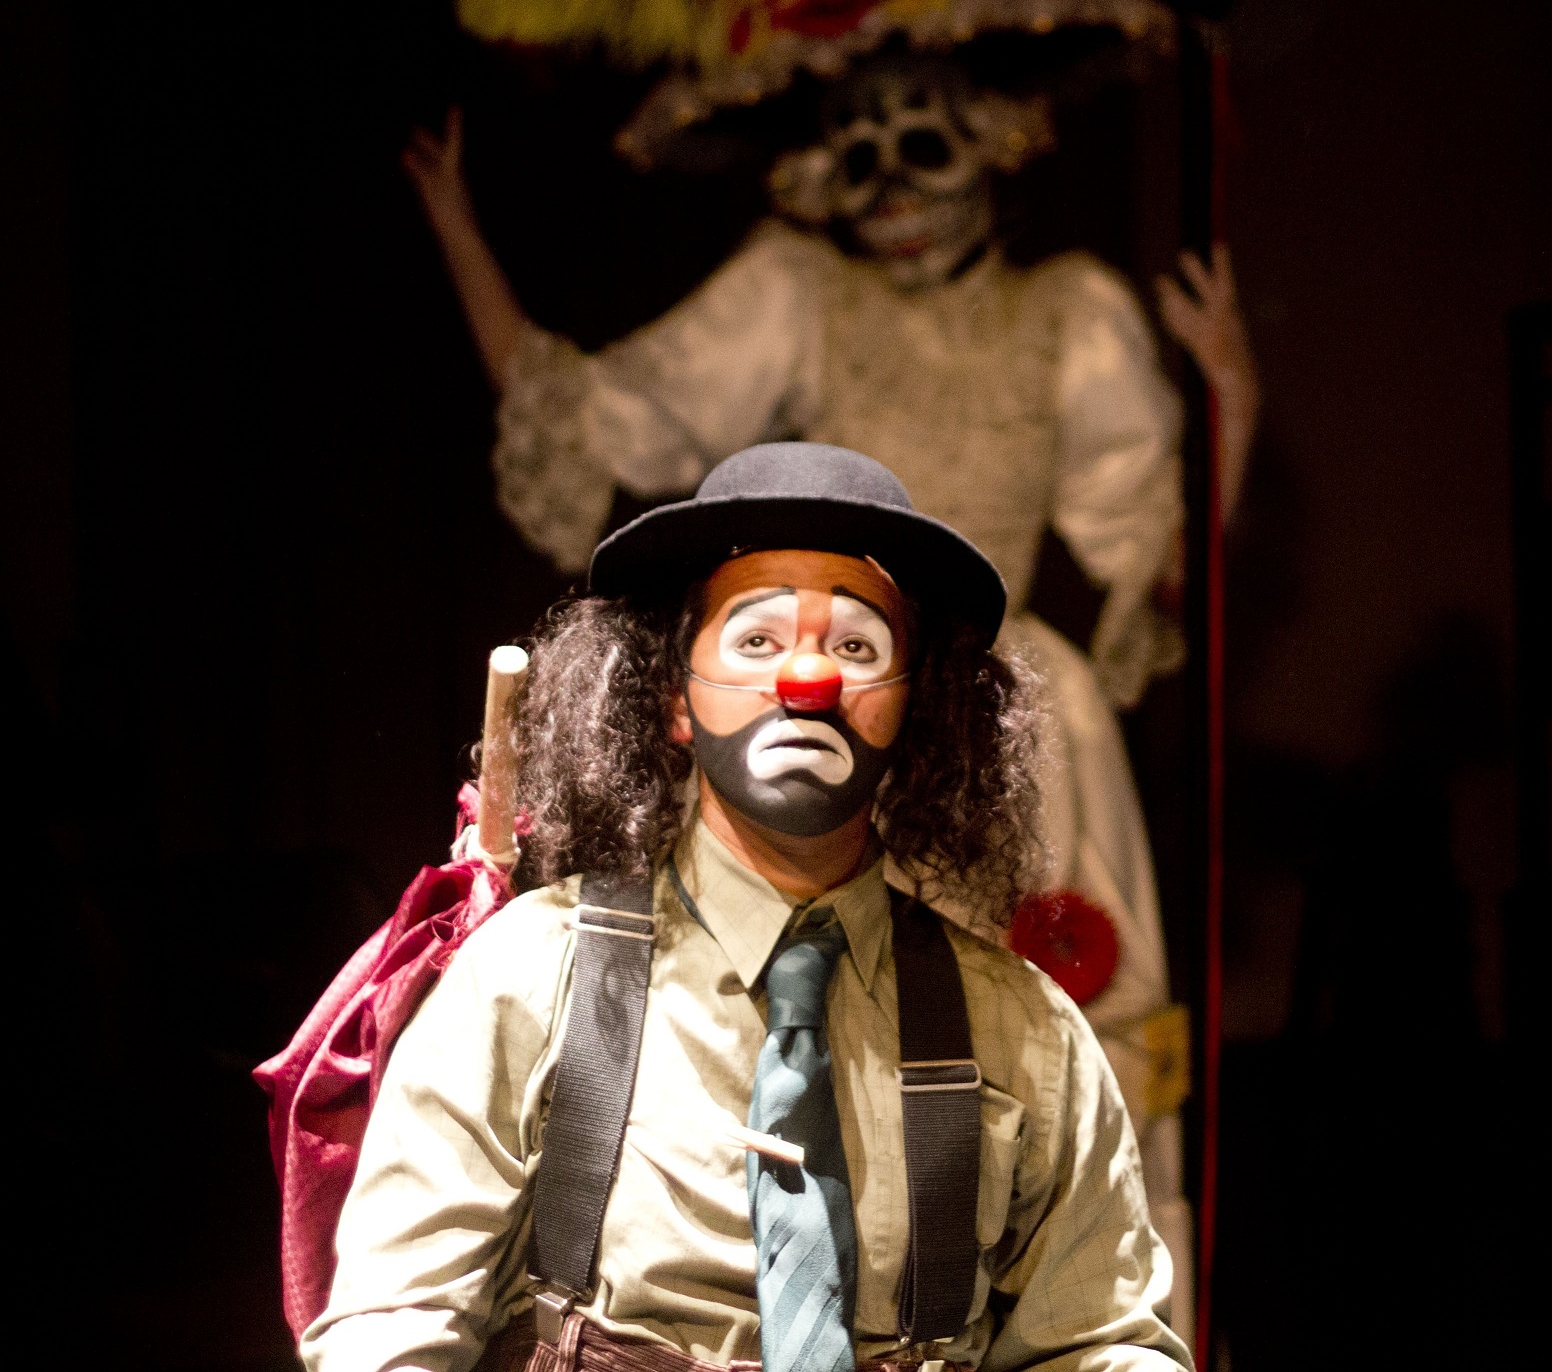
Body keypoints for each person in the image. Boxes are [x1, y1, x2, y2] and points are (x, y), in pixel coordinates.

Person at [402, 47, 1258, 1339]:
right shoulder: (799, 289)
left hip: (1002, 721)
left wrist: (1230, 395)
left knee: (1039, 1048)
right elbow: (608, 411)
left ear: (991, 146)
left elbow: (1156, 547)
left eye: (925, 148)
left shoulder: (1068, 309)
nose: (894, 193)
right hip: (819, 757)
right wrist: (463, 241)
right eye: (858, 162)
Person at [301, 442, 1192, 1372]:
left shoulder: (1022, 1033)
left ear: (913, 707)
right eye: (757, 642)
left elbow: (1099, 1343)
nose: (808, 683)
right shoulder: (528, 976)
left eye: (855, 647)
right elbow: (393, 1323)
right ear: (676, 700)